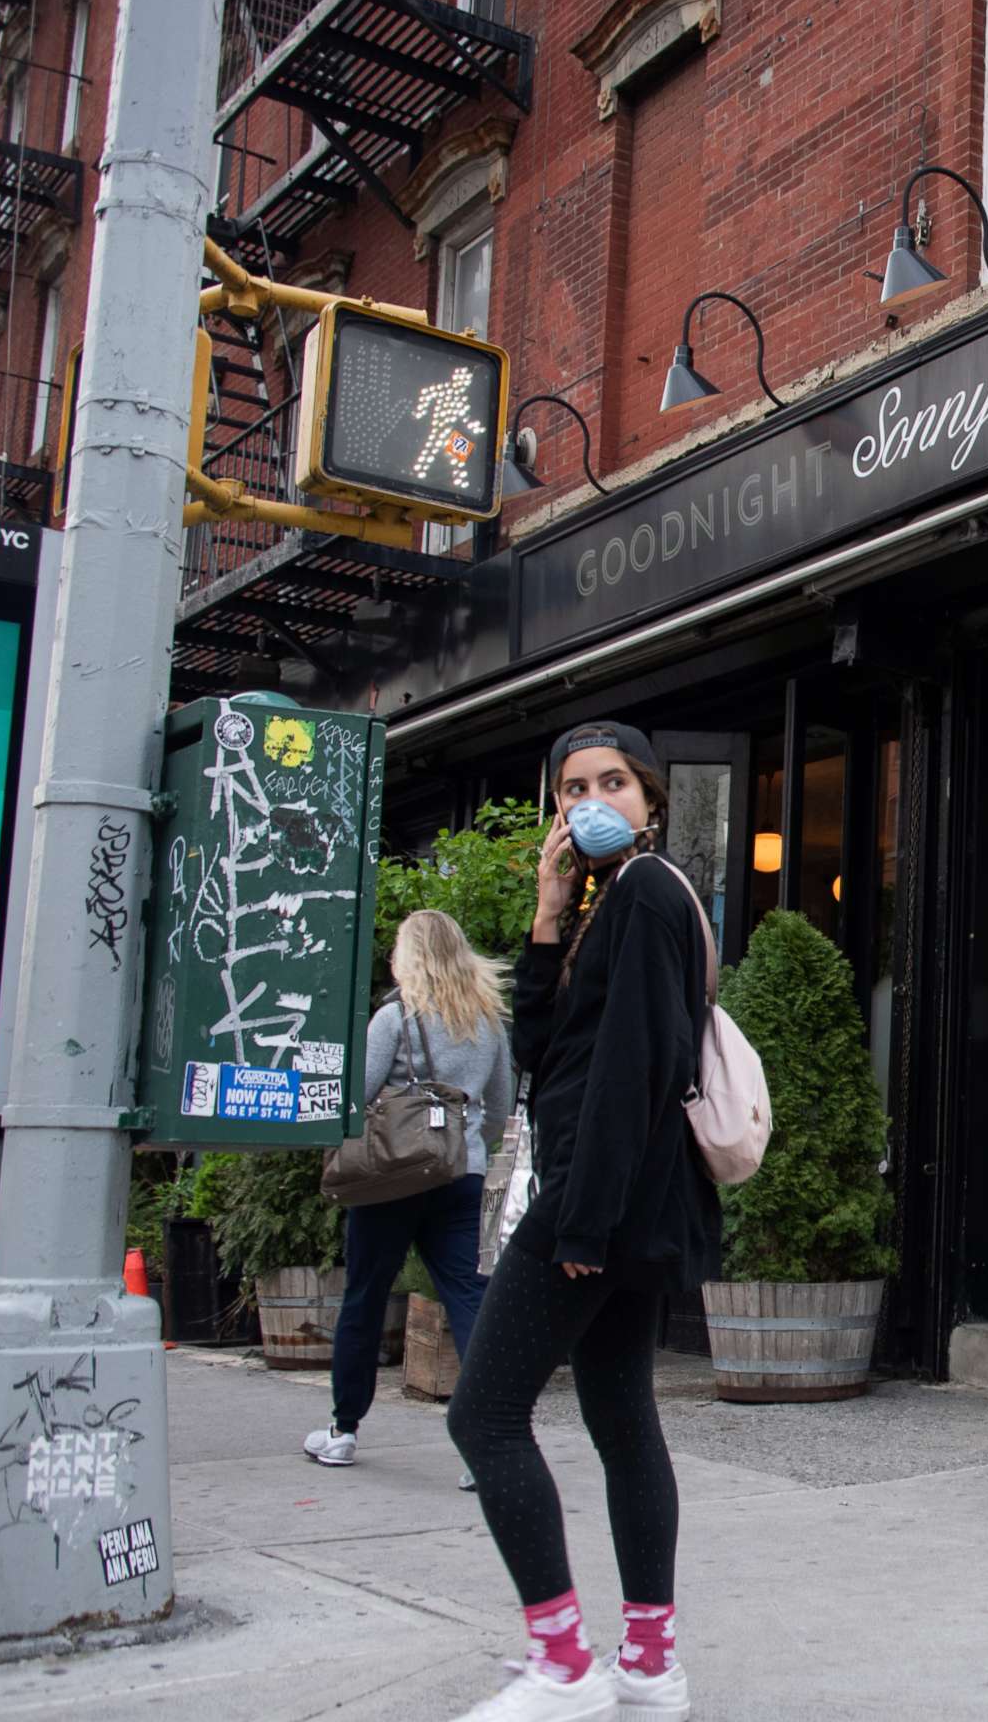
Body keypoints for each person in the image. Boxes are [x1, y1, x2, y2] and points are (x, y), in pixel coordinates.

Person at [443, 721, 720, 1722]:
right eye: (573, 787)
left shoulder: (646, 893)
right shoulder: (608, 901)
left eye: (613, 782)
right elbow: (545, 1049)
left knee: (482, 1414)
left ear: (650, 799)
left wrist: (581, 1226)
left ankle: (563, 1662)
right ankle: (649, 1664)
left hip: (596, 1200)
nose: (591, 800)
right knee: (618, 1413)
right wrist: (548, 916)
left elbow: (631, 1074)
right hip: (615, 1200)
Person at [302, 909, 510, 1484]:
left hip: (391, 1180)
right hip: (459, 1176)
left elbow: (359, 1095)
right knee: (471, 1300)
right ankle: (485, 1446)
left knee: (366, 1297)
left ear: (409, 956)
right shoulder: (488, 1023)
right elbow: (499, 1104)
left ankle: (344, 1431)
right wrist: (465, 1144)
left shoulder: (394, 1018)